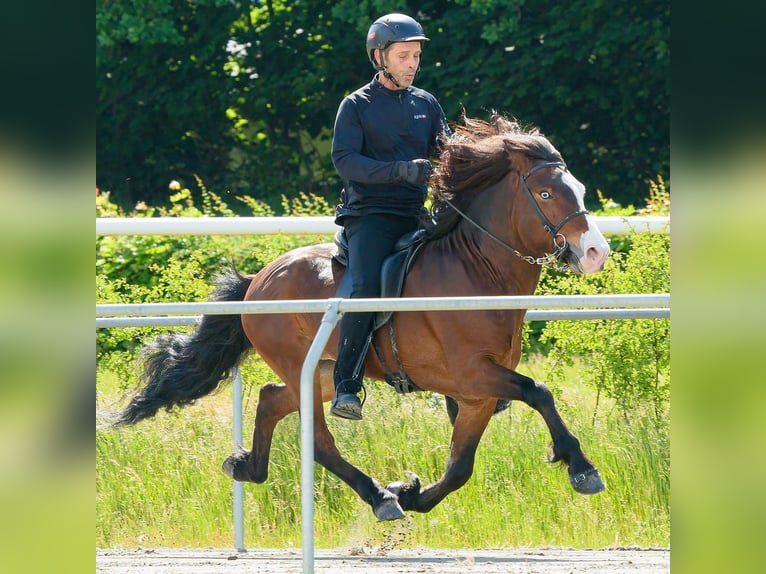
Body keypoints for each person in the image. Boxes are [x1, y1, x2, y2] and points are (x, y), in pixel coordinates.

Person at [329, 13, 451, 420]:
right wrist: (399, 171)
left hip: (415, 214)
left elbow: (448, 153)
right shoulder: (355, 106)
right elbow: (344, 160)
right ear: (380, 57)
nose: (412, 63)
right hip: (370, 215)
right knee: (364, 289)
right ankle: (346, 384)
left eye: (416, 56)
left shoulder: (426, 103)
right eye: (404, 56)